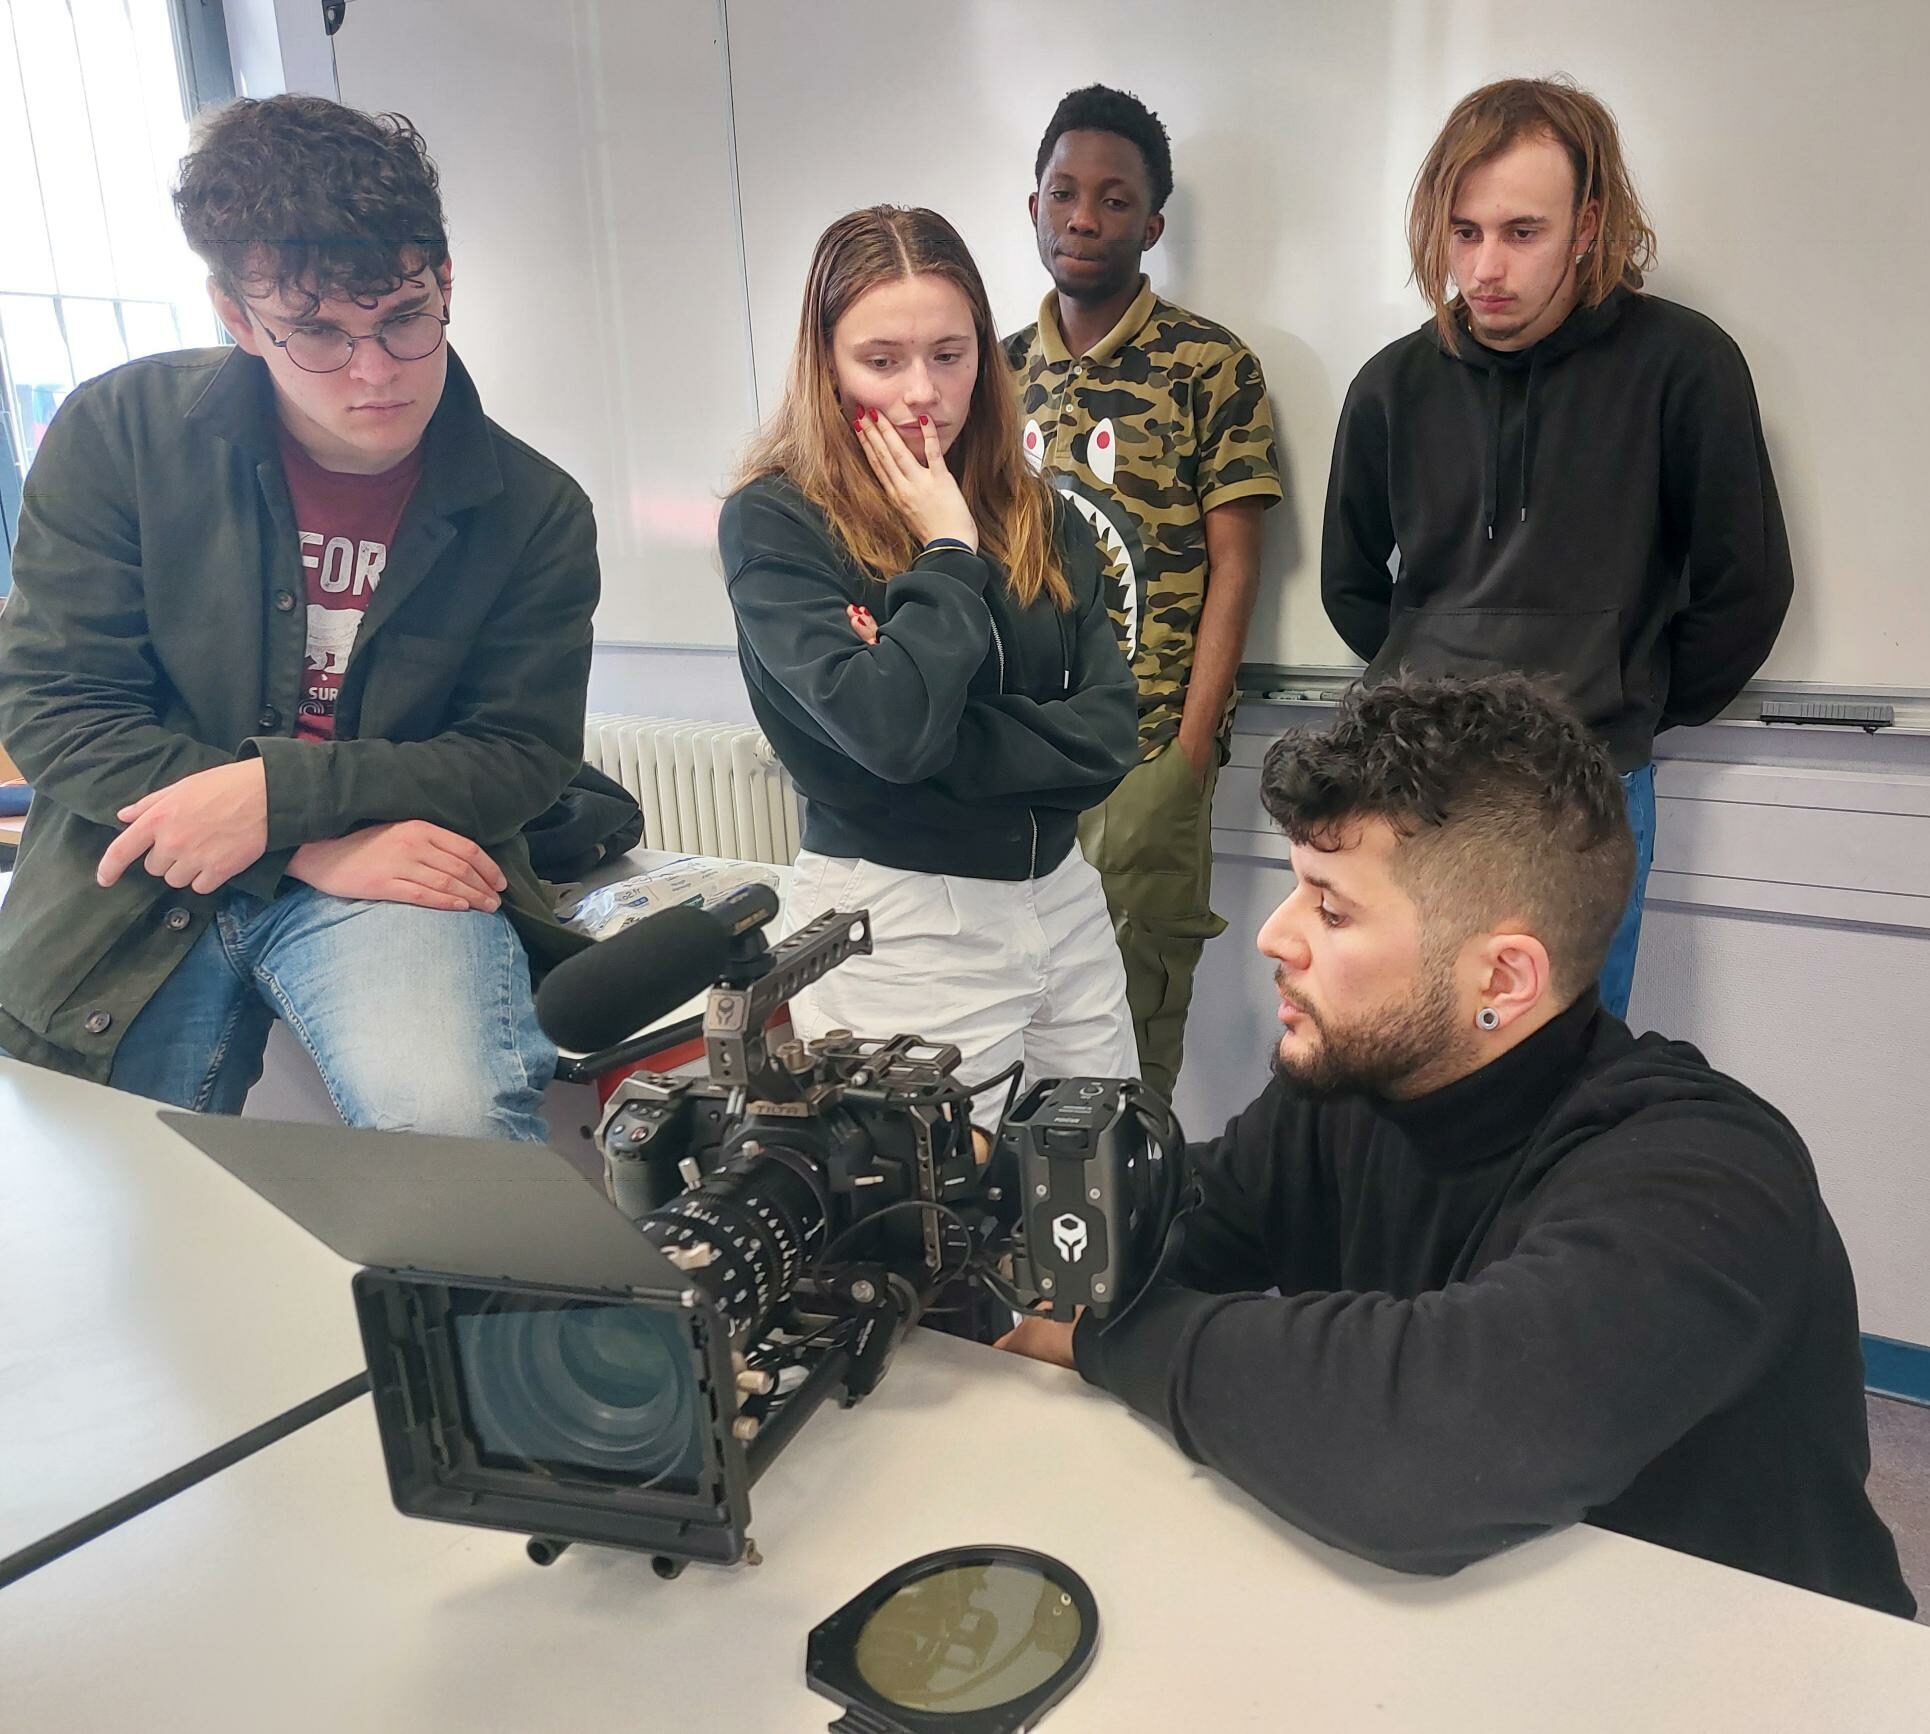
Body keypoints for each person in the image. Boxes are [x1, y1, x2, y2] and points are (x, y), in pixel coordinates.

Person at [1000, 673, 1913, 1618]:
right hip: (1502, 1622)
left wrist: (1102, 1336)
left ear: (1504, 976)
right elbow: (1176, 1230)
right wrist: (998, 1199)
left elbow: (1430, 1453)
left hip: (1758, 1667)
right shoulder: (1351, 1091)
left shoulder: (1709, 1178)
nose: (1274, 933)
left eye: (1332, 908)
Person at [0, 95, 598, 1138]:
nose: (374, 373)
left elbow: (518, 757)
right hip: (140, 866)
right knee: (81, 1187)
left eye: (404, 319)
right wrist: (294, 840)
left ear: (445, 282)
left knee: (453, 1134)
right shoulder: (115, 435)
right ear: (236, 316)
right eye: (316, 333)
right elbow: (57, 708)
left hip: (390, 876)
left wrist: (277, 800)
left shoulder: (535, 509)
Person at [1320, 77, 1793, 1019]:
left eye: (1521, 231)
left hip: (1587, 792)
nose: (1486, 266)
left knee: (1563, 1072)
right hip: (1414, 793)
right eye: (1465, 232)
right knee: (1403, 1055)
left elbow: (1748, 589)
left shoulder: (1684, 367)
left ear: (1587, 225)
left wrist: (1629, 694)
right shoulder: (1391, 385)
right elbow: (1351, 585)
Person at [718, 205, 1139, 1107]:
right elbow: (896, 730)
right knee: (942, 1222)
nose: (922, 392)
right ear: (825, 366)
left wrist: (940, 723)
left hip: (1061, 895)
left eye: (949, 355)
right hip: (899, 918)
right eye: (882, 361)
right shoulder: (778, 521)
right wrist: (947, 553)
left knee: (1110, 1184)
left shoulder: (1038, 512)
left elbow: (1108, 736)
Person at [1007, 84, 1282, 1101]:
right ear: (1032, 207)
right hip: (1014, 761)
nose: (1084, 217)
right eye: (1064, 193)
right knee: (1018, 1030)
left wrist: (1191, 746)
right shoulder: (991, 374)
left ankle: (1132, 1250)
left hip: (1144, 757)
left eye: (1114, 200)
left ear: (1151, 225)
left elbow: (1237, 562)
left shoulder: (1209, 366)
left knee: (1130, 1035)